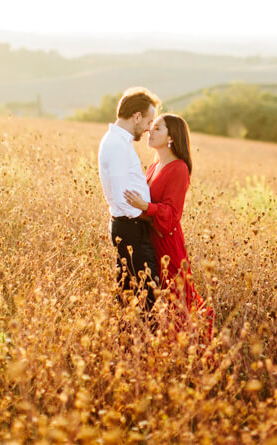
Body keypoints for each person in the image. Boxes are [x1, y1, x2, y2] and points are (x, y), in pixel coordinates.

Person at [124, 114, 214, 341]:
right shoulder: (155, 165)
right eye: (150, 128)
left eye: (157, 129)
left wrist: (146, 206)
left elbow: (173, 215)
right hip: (148, 240)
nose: (149, 132)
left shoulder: (179, 168)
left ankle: (190, 351)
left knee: (178, 301)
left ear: (171, 136)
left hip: (167, 244)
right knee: (156, 300)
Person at [97, 87, 160, 319]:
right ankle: (140, 349)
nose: (148, 128)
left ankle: (130, 347)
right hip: (131, 226)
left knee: (131, 294)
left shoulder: (118, 141)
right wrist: (147, 212)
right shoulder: (117, 144)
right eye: (148, 121)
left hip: (128, 225)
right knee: (145, 299)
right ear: (136, 116)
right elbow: (123, 196)